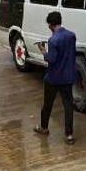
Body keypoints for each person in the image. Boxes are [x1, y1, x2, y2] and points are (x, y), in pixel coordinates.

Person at [34, 11, 77, 144]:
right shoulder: (71, 36)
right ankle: (69, 135)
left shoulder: (53, 40)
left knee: (48, 104)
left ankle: (44, 127)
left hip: (53, 78)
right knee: (68, 105)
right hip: (68, 77)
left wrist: (43, 51)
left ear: (50, 25)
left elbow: (51, 60)